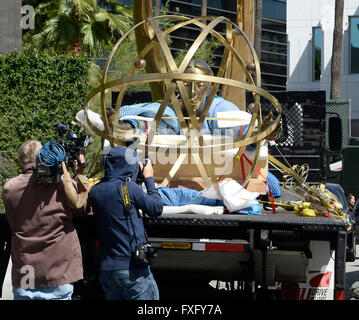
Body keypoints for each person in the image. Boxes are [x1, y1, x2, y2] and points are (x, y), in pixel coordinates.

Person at [2, 140, 88, 300]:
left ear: (21, 162)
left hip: (26, 274)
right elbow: (81, 208)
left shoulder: (9, 188)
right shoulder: (62, 185)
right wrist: (79, 174)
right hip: (59, 272)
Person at [89, 145, 163, 300]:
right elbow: (156, 208)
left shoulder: (95, 191)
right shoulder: (129, 188)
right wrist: (149, 178)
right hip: (131, 268)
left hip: (108, 270)